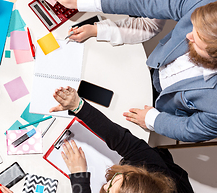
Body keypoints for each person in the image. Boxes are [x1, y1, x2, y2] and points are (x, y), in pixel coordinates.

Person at [50, 86, 196, 193]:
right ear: (142, 176)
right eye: (116, 181)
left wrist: (79, 174)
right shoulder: (153, 166)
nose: (105, 185)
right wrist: (78, 106)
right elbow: (120, 138)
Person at [60, 0, 217, 142]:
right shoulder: (207, 7)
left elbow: (191, 129)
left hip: (164, 106)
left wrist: (153, 120)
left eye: (197, 41)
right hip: (155, 71)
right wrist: (84, 3)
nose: (188, 35)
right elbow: (147, 4)